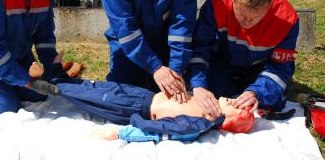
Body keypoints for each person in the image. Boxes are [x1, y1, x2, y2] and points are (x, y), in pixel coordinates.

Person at [25, 63, 254, 143]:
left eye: (236, 106)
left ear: (226, 118)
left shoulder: (199, 123)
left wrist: (127, 130)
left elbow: (166, 130)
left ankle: (44, 82)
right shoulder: (208, 101)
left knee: (89, 98)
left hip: (134, 108)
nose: (236, 100)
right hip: (142, 95)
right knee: (98, 87)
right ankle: (62, 76)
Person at [187, 0, 299, 117]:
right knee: (207, 97)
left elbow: (280, 66)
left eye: (254, 17)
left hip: (258, 68)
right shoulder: (217, 3)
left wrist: (256, 92)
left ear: (269, 5)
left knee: (272, 101)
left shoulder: (286, 18)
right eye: (240, 13)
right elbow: (200, 47)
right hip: (221, 61)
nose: (246, 21)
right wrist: (198, 85)